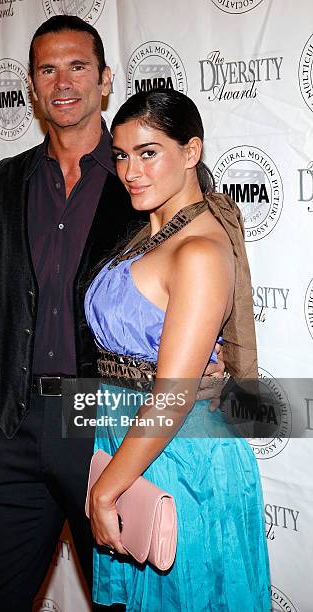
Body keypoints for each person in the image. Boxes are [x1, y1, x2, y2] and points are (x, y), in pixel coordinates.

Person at [0, 16, 224, 612]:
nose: (63, 82)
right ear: (31, 84)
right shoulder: (6, 182)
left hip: (104, 422)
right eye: (47, 69)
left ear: (105, 81)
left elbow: (198, 280)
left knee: (119, 603)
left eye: (78, 66)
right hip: (18, 425)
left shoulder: (142, 178)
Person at [85, 89, 271, 611]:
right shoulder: (148, 232)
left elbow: (172, 396)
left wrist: (105, 492)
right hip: (131, 450)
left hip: (186, 467)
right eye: (121, 155)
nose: (130, 171)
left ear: (191, 152)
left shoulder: (199, 250)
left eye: (148, 153)